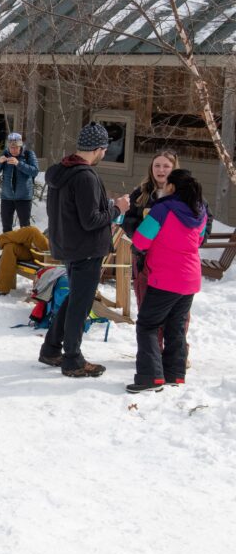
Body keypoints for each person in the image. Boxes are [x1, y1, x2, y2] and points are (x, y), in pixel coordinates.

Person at [37, 122, 131, 378]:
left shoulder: (62, 171)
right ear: (100, 148)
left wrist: (107, 206)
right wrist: (118, 208)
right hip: (86, 248)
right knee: (80, 303)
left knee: (76, 298)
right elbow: (91, 220)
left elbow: (76, 212)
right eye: (104, 149)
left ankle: (51, 348)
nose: (104, 153)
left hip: (70, 246)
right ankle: (73, 360)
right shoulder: (85, 176)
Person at [128, 169, 208, 392]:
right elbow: (199, 239)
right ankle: (174, 374)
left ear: (172, 187)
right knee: (175, 326)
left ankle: (149, 377)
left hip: (166, 278)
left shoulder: (162, 209)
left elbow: (141, 240)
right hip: (190, 278)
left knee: (148, 325)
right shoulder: (199, 211)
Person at [122, 150, 180, 310]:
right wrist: (138, 234)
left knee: (173, 312)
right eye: (157, 165)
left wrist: (199, 240)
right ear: (151, 168)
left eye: (166, 166)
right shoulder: (142, 192)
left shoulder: (184, 192)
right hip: (144, 259)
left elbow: (204, 218)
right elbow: (127, 218)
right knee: (146, 306)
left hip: (173, 259)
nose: (161, 170)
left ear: (174, 168)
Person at [0, 226, 50, 296]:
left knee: (32, 231)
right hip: (37, 251)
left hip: (52, 255)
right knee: (10, 247)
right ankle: (2, 288)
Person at [0, 132, 39, 232]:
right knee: (6, 228)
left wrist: (18, 164)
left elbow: (35, 171)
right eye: (11, 147)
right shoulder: (5, 154)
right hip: (7, 197)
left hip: (24, 197)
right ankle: (8, 247)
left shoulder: (28, 154)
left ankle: (25, 247)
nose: (14, 150)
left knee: (25, 228)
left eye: (16, 147)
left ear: (21, 146)